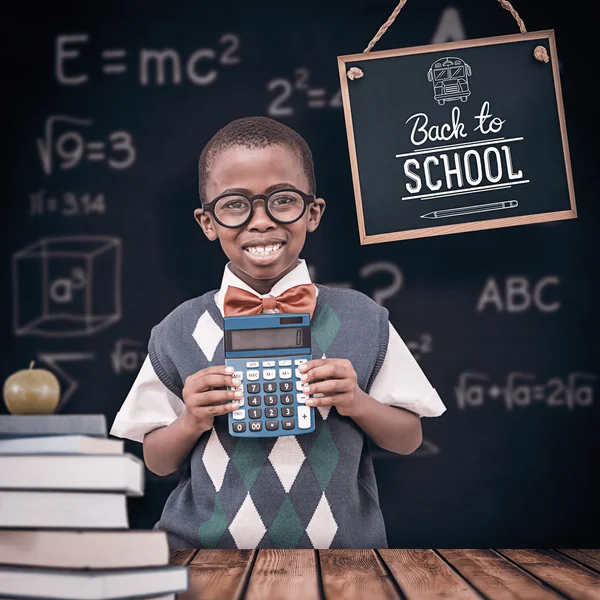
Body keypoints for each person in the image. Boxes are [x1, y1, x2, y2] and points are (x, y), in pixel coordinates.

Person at [110, 116, 446, 549]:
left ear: (313, 212)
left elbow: (408, 438)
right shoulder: (178, 330)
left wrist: (356, 402)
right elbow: (156, 461)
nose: (261, 221)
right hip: (203, 557)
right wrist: (191, 419)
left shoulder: (364, 319)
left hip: (343, 562)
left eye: (282, 200)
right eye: (234, 204)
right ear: (207, 222)